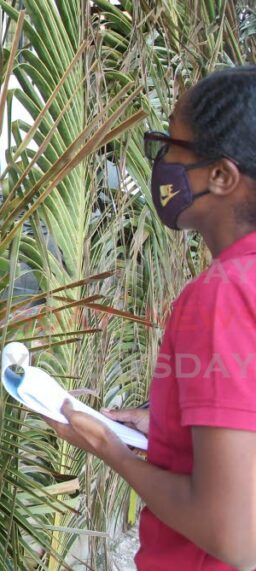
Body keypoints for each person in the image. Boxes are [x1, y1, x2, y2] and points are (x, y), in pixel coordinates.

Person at [46, 68, 256, 570]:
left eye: (171, 145)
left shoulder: (223, 294)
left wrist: (110, 449)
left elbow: (234, 536)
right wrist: (166, 424)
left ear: (222, 176)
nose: (160, 163)